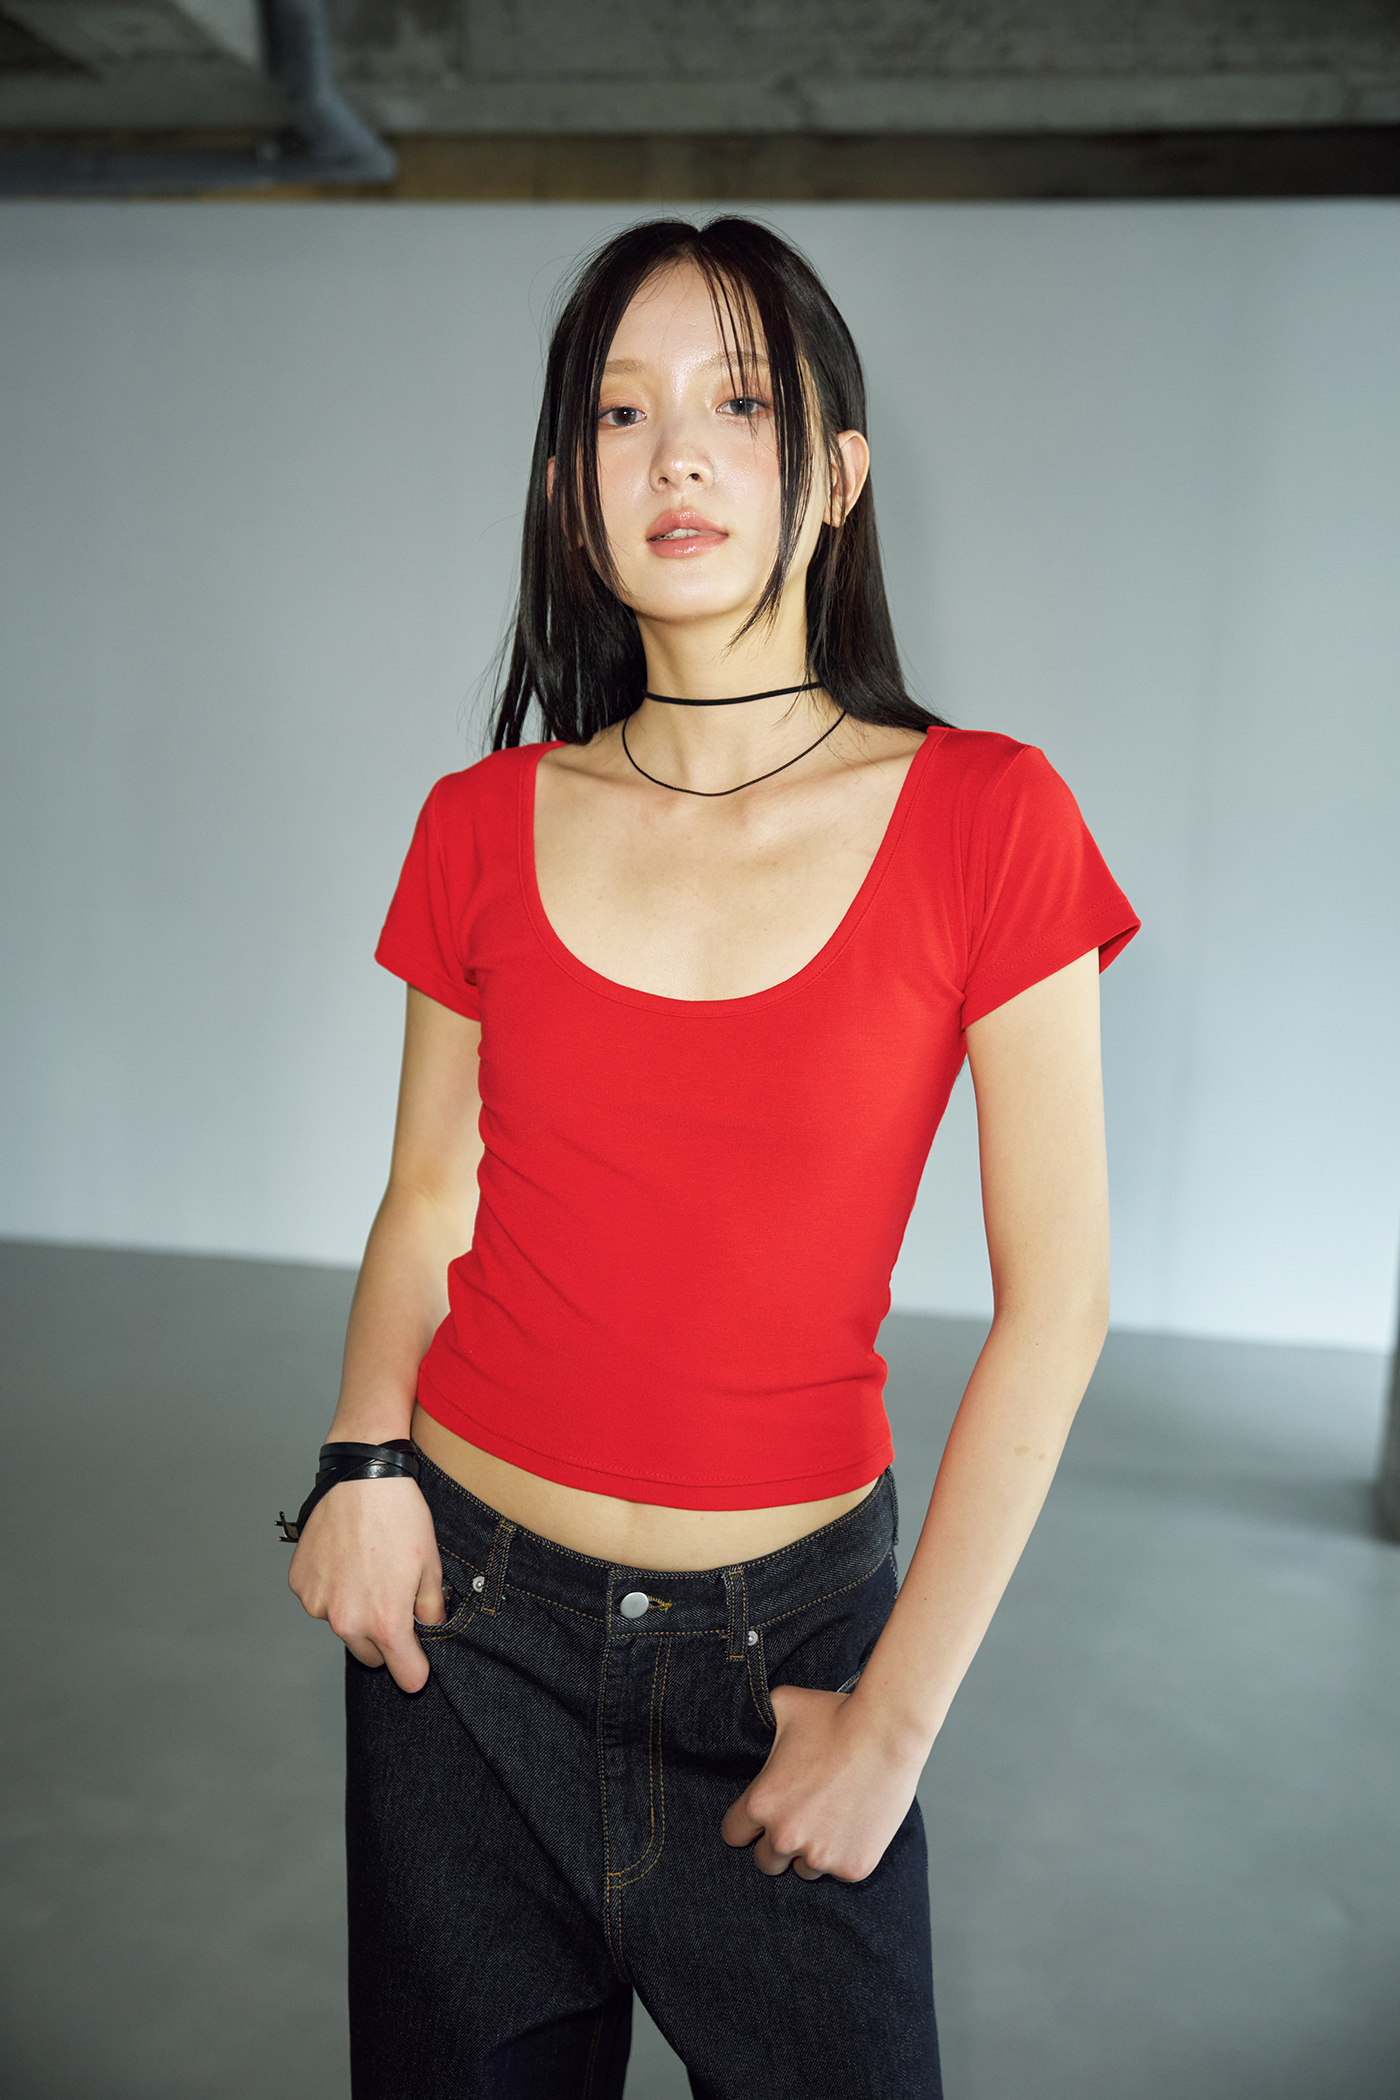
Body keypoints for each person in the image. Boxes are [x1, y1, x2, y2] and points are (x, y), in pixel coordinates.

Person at [283, 214, 1139, 2100]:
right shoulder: (481, 820)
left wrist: (894, 1724)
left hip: (792, 1669)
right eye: (620, 412)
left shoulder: (990, 816)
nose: (674, 452)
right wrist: (360, 1462)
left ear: (835, 473)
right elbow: (428, 1196)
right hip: (460, 1642)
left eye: (739, 404)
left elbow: (1061, 1302)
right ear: (569, 486)